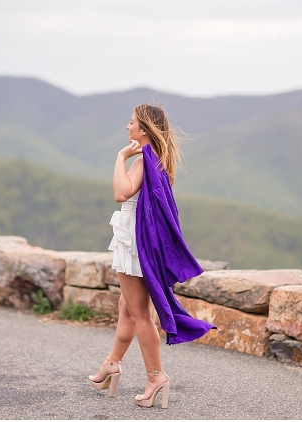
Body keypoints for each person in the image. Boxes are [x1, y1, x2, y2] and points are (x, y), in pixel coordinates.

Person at [88, 104, 213, 409]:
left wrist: (120, 158)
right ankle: (112, 364)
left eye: (130, 123)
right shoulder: (159, 159)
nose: (127, 127)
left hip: (134, 241)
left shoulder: (143, 159)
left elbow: (121, 193)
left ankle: (155, 376)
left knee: (140, 315)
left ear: (143, 130)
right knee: (126, 307)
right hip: (141, 237)